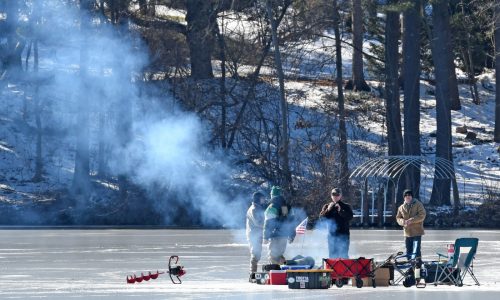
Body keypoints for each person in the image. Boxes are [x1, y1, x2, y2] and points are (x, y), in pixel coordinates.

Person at [263, 186, 296, 265]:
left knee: (273, 257)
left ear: (272, 195)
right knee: (280, 255)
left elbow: (268, 224)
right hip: (284, 236)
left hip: (275, 236)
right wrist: (292, 235)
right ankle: (284, 272)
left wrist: (265, 237)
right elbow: (291, 222)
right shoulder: (287, 206)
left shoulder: (272, 207)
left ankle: (276, 275)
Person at [319, 187, 353, 258]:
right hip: (332, 236)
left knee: (343, 256)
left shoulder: (346, 206)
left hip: (343, 235)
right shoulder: (327, 206)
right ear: (331, 196)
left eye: (337, 194)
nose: (335, 196)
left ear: (340, 196)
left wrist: (340, 210)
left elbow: (350, 217)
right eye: (333, 194)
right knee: (332, 256)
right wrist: (328, 210)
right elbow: (321, 219)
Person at [396, 189, 426, 260]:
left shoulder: (418, 204)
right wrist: (403, 221)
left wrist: (411, 220)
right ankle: (410, 267)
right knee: (408, 251)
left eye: (409, 195)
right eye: (406, 195)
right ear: (404, 197)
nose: (407, 196)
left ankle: (418, 268)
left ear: (412, 196)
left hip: (417, 232)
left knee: (416, 251)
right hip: (407, 233)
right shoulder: (401, 207)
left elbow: (422, 215)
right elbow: (398, 218)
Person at [246, 191, 267, 279]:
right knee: (255, 254)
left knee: (257, 254)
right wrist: (268, 226)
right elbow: (258, 223)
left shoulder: (258, 208)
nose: (264, 200)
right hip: (254, 235)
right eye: (262, 198)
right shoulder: (254, 209)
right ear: (258, 199)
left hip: (256, 234)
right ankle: (252, 274)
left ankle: (253, 273)